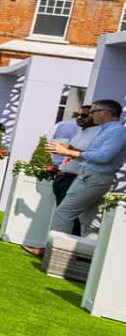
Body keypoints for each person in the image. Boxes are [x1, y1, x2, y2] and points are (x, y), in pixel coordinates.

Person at [47, 99, 126, 236]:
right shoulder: (108, 130)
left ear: (105, 112)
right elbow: (92, 156)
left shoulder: (117, 131)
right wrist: (71, 151)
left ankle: (54, 253)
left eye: (92, 112)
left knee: (64, 213)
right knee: (89, 220)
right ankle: (85, 256)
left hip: (95, 178)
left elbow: (103, 157)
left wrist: (68, 152)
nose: (91, 115)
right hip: (92, 176)